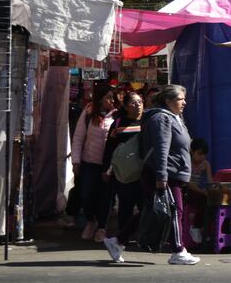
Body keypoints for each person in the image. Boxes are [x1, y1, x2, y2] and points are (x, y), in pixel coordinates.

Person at [142, 84, 200, 265]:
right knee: (175, 211)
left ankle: (117, 240)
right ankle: (178, 250)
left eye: (184, 99)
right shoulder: (161, 118)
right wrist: (162, 177)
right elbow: (161, 149)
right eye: (180, 99)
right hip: (167, 173)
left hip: (175, 173)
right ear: (168, 101)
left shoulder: (175, 117)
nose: (184, 102)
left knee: (156, 209)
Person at [102, 91, 145, 263]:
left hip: (143, 173)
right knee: (125, 207)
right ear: (126, 106)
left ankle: (140, 237)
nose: (138, 105)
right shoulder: (119, 123)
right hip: (124, 174)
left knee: (145, 206)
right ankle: (122, 240)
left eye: (140, 102)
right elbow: (110, 147)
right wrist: (106, 169)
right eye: (134, 103)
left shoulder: (148, 122)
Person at [71, 83, 116, 243]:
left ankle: (102, 227)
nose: (111, 101)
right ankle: (91, 220)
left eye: (112, 97)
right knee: (86, 194)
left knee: (106, 197)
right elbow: (78, 138)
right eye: (108, 97)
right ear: (100, 99)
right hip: (89, 162)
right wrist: (76, 162)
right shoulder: (88, 113)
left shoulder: (117, 115)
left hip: (108, 165)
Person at [185, 138, 213, 247]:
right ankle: (196, 226)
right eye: (199, 154)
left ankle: (205, 229)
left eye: (204, 155)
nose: (202, 157)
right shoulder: (188, 163)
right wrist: (202, 191)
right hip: (189, 191)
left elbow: (210, 180)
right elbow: (188, 183)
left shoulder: (205, 164)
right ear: (192, 152)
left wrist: (211, 190)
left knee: (208, 201)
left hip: (200, 191)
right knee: (201, 198)